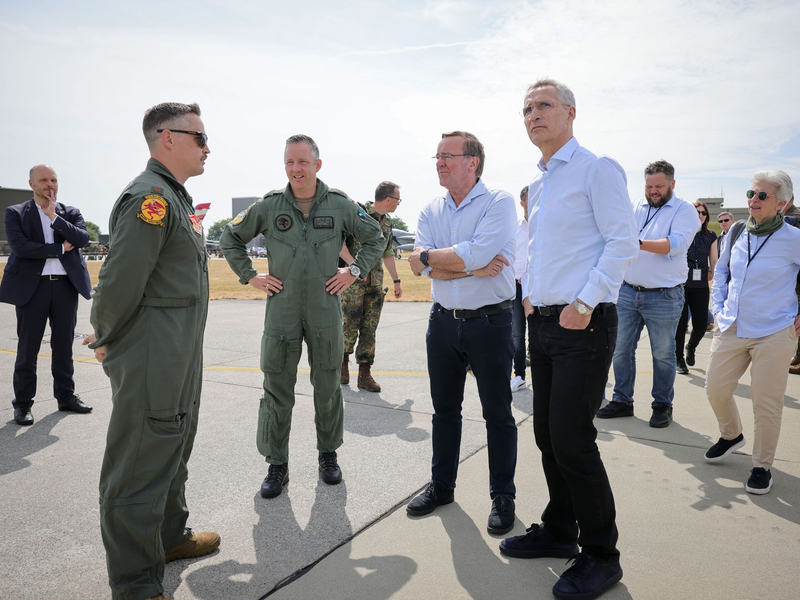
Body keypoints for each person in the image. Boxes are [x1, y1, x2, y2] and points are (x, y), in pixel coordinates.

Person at [499, 79, 637, 600]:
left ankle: (602, 555)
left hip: (585, 322)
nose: (533, 115)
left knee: (573, 440)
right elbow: (538, 249)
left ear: (571, 113)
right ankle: (560, 531)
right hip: (545, 322)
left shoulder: (595, 168)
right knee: (548, 438)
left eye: (544, 106)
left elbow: (621, 241)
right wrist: (532, 299)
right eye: (527, 109)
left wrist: (584, 303)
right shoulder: (539, 183)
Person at [84, 102, 219, 600]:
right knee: (140, 462)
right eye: (200, 138)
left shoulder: (175, 199)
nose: (208, 147)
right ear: (167, 138)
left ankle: (167, 538)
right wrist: (106, 337)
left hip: (177, 354)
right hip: (151, 355)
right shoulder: (151, 199)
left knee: (173, 445)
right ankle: (136, 583)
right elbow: (118, 282)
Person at [219, 134, 384, 499]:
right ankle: (277, 464)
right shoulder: (269, 205)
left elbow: (375, 239)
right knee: (277, 390)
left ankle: (328, 455)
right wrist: (250, 276)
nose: (296, 169)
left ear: (317, 165)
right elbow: (230, 239)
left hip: (326, 311)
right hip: (282, 311)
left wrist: (353, 271)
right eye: (290, 163)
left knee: (327, 390)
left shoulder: (341, 205)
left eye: (303, 162)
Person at [406, 130, 519, 536]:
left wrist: (440, 259)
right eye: (436, 156)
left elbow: (476, 252)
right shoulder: (430, 209)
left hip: (490, 322)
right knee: (444, 411)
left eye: (447, 155)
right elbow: (418, 266)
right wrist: (465, 265)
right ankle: (442, 486)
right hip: (443, 321)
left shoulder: (499, 202)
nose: (439, 162)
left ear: (472, 162)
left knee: (498, 413)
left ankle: (502, 495)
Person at [705, 170, 800, 495]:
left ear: (783, 204)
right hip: (731, 325)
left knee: (766, 402)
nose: (753, 200)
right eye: (751, 193)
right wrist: (717, 308)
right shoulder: (736, 233)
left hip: (774, 330)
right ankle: (731, 434)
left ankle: (762, 466)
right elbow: (722, 272)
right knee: (715, 389)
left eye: (762, 196)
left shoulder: (794, 239)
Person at [595, 160, 699, 427]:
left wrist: (635, 243)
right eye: (649, 186)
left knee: (663, 354)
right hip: (628, 292)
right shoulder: (634, 206)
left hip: (664, 296)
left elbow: (676, 245)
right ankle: (622, 401)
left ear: (672, 184)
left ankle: (662, 405)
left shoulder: (684, 210)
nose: (653, 191)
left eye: (659, 186)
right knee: (620, 350)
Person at [0, 164, 92, 426]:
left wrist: (54, 217)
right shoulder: (15, 213)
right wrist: (59, 249)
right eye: (43, 180)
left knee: (63, 345)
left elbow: (82, 239)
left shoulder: (69, 212)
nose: (50, 185)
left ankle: (65, 396)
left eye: (53, 180)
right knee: (28, 349)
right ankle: (23, 404)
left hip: (65, 287)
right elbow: (20, 247)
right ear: (32, 184)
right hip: (33, 288)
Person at [340, 181, 403, 392]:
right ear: (388, 199)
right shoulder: (357, 214)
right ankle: (341, 367)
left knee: (369, 329)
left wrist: (396, 281)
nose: (398, 203)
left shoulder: (387, 223)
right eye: (397, 199)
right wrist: (355, 268)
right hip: (352, 283)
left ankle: (364, 375)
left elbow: (387, 253)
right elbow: (340, 244)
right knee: (348, 326)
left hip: (375, 284)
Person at [675, 201, 717, 371]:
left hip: (700, 285)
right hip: (681, 285)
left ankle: (691, 347)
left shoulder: (711, 235)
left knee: (701, 324)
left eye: (703, 213)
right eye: (697, 212)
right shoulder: (683, 233)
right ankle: (678, 359)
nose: (700, 215)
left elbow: (714, 260)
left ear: (707, 217)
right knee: (681, 323)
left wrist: (714, 274)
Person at [510, 185, 529, 393]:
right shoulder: (515, 228)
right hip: (516, 288)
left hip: (539, 288)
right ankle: (519, 375)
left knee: (540, 334)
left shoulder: (547, 227)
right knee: (517, 334)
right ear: (522, 202)